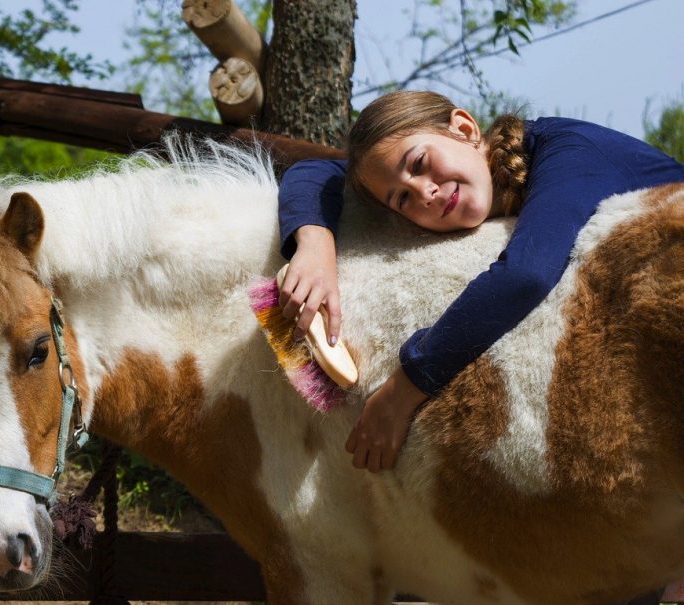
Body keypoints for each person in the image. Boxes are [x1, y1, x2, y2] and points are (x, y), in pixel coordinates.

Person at [277, 90, 684, 473]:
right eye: (402, 199)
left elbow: (525, 276)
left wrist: (403, 390)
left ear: (465, 129)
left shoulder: (568, 154)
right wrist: (314, 243)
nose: (425, 192)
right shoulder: (494, 177)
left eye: (419, 163)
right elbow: (317, 170)